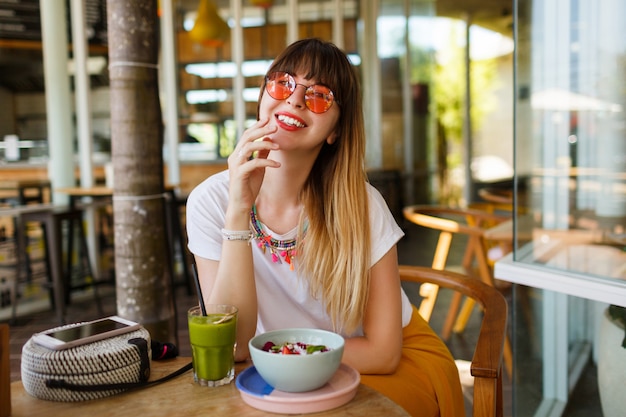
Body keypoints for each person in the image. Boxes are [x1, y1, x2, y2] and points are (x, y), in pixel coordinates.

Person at [186, 38, 464, 417]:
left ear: (335, 130)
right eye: (283, 83)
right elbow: (232, 347)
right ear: (263, 97)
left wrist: (285, 356)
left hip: (386, 362)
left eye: (319, 96)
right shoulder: (211, 202)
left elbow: (384, 353)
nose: (295, 100)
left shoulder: (361, 204)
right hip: (282, 367)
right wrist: (238, 213)